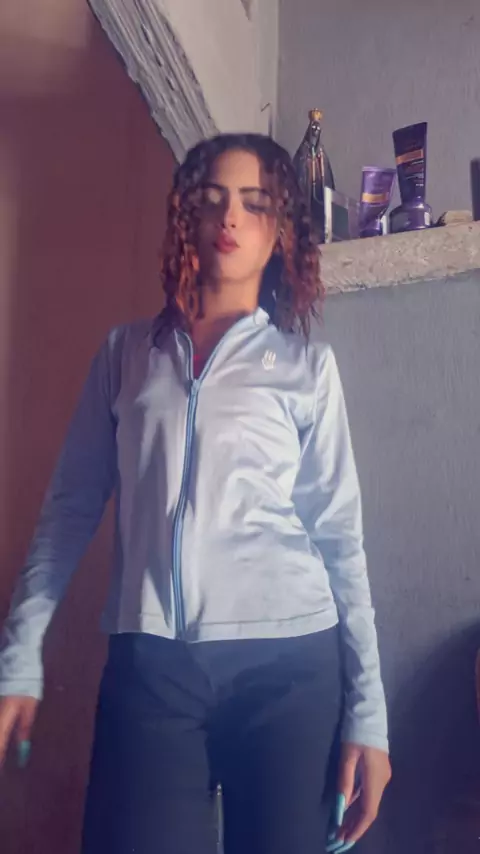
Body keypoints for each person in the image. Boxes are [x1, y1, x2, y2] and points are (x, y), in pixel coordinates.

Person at [0, 133, 391, 854]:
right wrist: (20, 654)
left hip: (291, 673)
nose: (230, 217)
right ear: (188, 218)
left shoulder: (305, 367)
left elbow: (341, 541)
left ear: (279, 232)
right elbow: (68, 513)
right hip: (152, 671)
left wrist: (370, 717)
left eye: (254, 203)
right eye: (212, 200)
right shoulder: (125, 355)